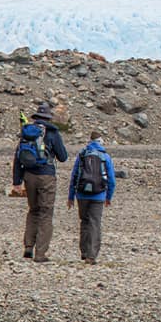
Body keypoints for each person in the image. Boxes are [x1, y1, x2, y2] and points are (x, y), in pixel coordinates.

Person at [11, 102, 68, 263]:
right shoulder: (52, 133)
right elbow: (63, 157)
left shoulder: (27, 132)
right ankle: (40, 253)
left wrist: (17, 181)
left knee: (33, 210)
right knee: (45, 213)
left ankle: (28, 247)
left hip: (29, 176)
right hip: (46, 177)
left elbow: (18, 157)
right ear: (48, 117)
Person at [68, 132, 116, 264]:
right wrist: (108, 197)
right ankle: (91, 255)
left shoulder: (82, 155)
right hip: (99, 195)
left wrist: (71, 196)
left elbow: (74, 175)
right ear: (101, 141)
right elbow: (111, 179)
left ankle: (84, 251)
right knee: (95, 223)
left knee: (84, 221)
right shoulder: (105, 156)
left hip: (81, 194)